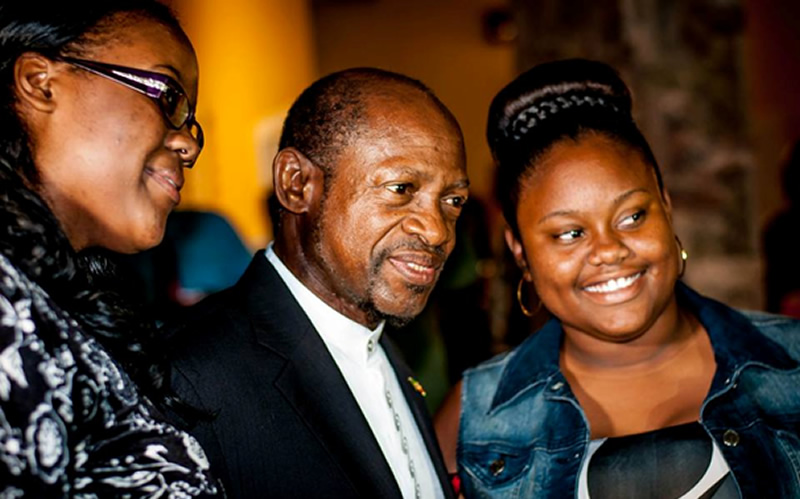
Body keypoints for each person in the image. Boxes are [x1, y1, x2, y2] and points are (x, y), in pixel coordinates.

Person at [439, 59, 800, 498]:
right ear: (521, 253)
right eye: (570, 233)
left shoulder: (793, 362)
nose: (609, 250)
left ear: (666, 207)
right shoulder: (475, 419)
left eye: (632, 217)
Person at [167, 68, 469, 498]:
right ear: (296, 183)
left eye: (453, 200)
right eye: (401, 188)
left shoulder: (387, 350)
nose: (437, 230)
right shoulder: (190, 377)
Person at [0, 2, 219, 496]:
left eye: (191, 123)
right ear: (40, 83)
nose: (189, 146)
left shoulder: (55, 304)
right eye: (168, 97)